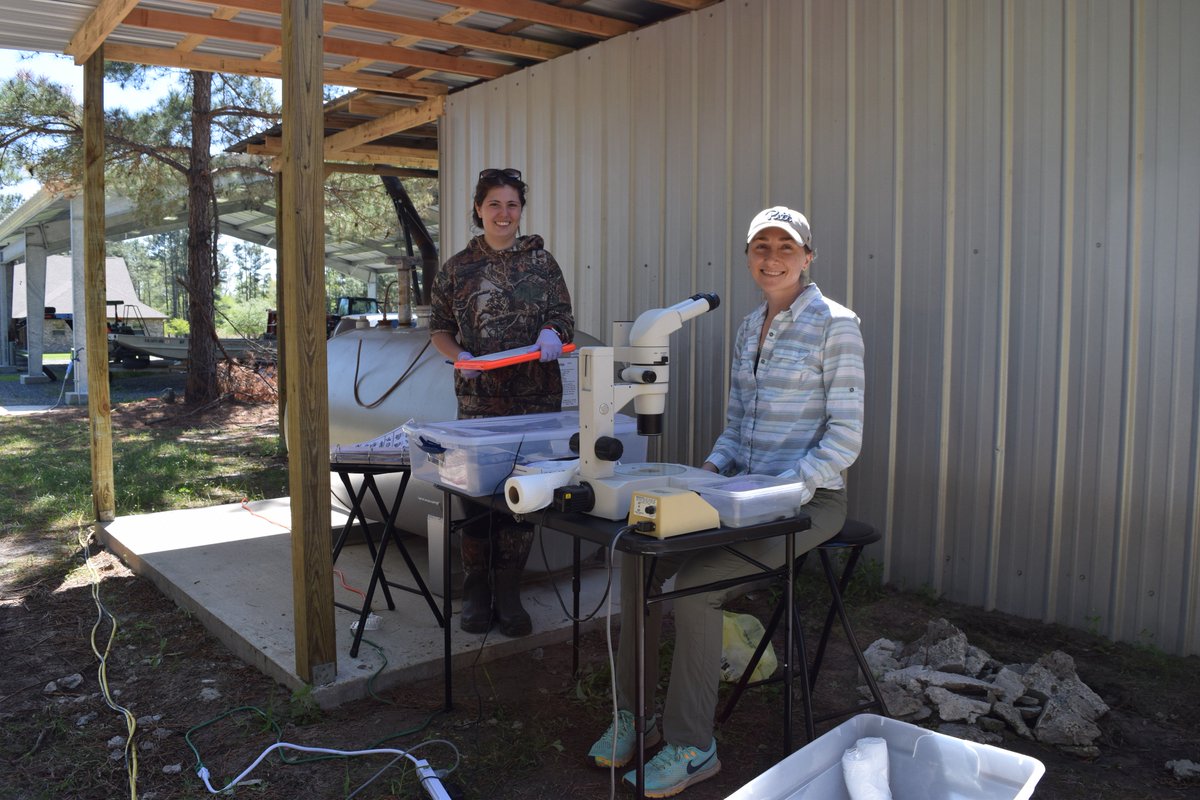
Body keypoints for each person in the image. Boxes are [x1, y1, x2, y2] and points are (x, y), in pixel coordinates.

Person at [586, 206, 865, 796]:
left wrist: (788, 488)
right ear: (747, 257)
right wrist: (707, 474)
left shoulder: (836, 324)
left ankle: (694, 745)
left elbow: (845, 437)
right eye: (760, 246)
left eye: (785, 247)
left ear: (808, 257)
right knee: (638, 560)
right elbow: (738, 427)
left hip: (808, 502)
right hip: (742, 495)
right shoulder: (747, 327)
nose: (772, 257)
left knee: (696, 590)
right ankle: (636, 715)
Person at [429, 167, 575, 637]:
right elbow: (439, 329)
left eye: (512, 204)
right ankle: (476, 591)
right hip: (479, 402)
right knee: (477, 497)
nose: (503, 213)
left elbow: (564, 318)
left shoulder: (543, 264)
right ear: (478, 209)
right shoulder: (456, 268)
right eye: (494, 204)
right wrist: (461, 358)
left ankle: (509, 592)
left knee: (523, 498)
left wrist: (554, 333)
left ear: (520, 210)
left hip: (536, 400)